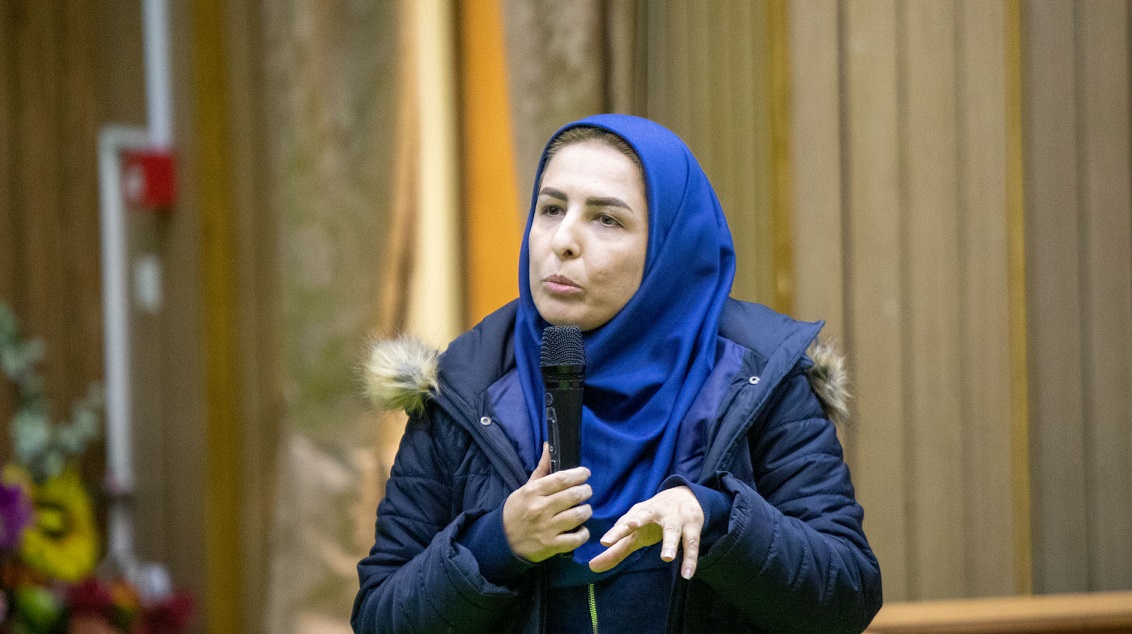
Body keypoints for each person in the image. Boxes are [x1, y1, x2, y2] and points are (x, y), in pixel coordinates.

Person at [352, 114, 882, 633]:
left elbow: (847, 595)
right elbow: (379, 616)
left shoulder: (758, 379)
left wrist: (718, 520)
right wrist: (498, 543)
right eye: (551, 209)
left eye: (606, 219)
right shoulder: (463, 390)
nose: (563, 240)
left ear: (670, 247)